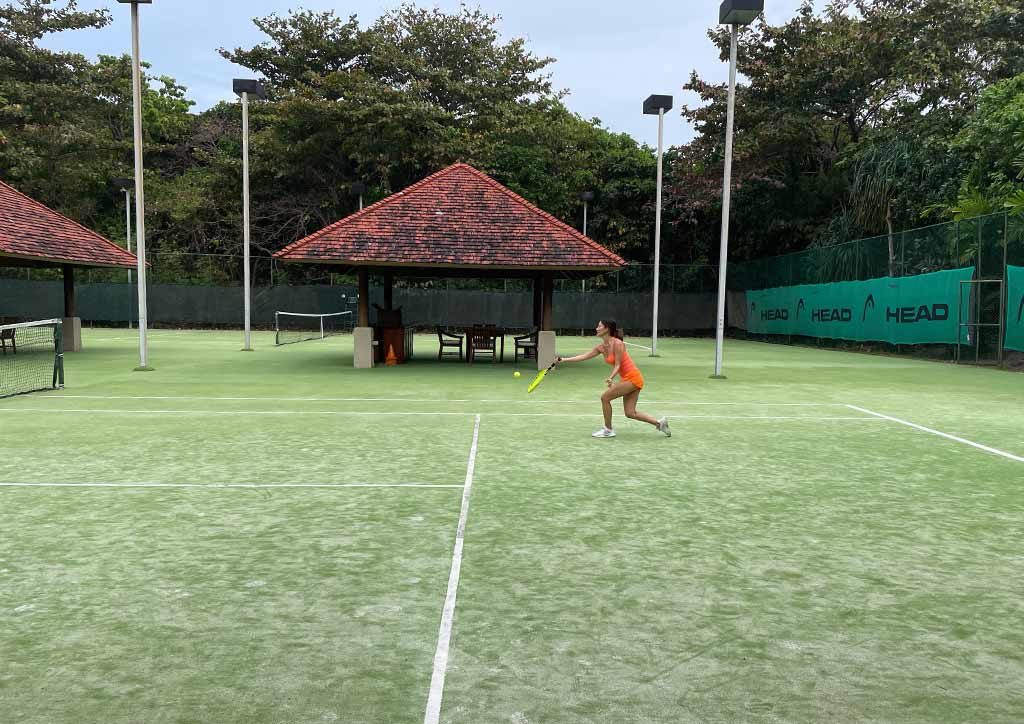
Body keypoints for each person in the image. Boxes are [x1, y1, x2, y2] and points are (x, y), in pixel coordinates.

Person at [556, 320, 670, 439]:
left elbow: (618, 364)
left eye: (599, 326)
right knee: (630, 413)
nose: (596, 328)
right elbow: (584, 356)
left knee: (605, 398)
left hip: (633, 377)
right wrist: (563, 360)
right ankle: (660, 423)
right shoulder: (601, 347)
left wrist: (611, 377)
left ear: (607, 329)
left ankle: (608, 429)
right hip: (628, 379)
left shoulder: (618, 344)